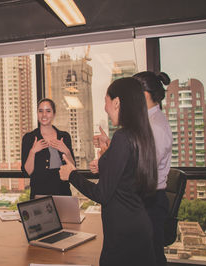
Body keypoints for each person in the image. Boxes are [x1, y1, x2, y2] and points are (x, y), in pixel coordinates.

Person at [60, 77, 158, 266]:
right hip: (137, 226)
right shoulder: (140, 134)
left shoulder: (123, 136)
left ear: (117, 102)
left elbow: (102, 194)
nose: (105, 108)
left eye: (105, 101)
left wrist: (71, 174)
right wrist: (108, 151)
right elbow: (127, 174)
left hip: (123, 233)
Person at [93, 71, 172, 266]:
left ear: (142, 95)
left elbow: (140, 168)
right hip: (144, 199)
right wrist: (112, 151)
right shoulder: (147, 123)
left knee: (151, 258)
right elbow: (135, 158)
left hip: (149, 201)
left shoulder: (155, 127)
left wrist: (109, 159)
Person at [21, 98, 75, 199]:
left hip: (63, 193)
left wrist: (66, 151)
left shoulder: (64, 136)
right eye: (40, 111)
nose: (44, 115)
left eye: (48, 111)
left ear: (54, 114)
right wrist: (33, 152)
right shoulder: (29, 138)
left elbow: (72, 168)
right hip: (39, 195)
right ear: (37, 113)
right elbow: (27, 171)